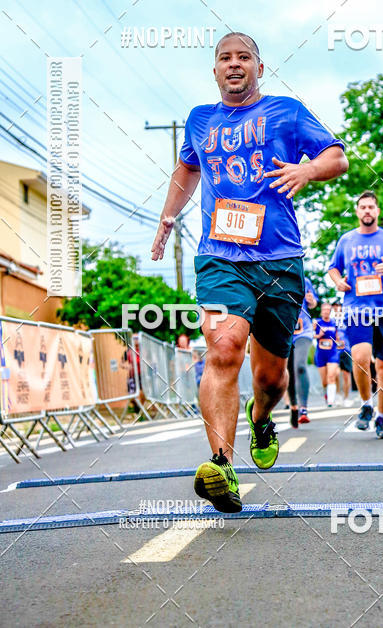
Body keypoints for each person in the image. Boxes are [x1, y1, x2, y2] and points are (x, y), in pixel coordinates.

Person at [151, 32, 348, 512]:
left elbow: (337, 156)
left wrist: (306, 172)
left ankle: (263, 418)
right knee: (222, 348)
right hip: (219, 258)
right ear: (214, 70)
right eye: (225, 58)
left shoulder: (287, 111)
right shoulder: (200, 120)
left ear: (260, 67)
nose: (234, 64)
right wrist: (167, 217)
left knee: (272, 378)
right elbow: (187, 171)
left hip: (279, 260)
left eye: (244, 57)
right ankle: (222, 463)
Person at [328, 190, 383, 439]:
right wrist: (338, 283)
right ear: (357, 212)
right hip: (357, 308)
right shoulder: (346, 240)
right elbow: (333, 268)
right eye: (362, 207)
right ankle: (366, 403)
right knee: (360, 356)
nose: (367, 211)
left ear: (377, 211)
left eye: (371, 207)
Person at [290, 276, 318, 425]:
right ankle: (292, 405)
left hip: (303, 330)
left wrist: (311, 301)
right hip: (282, 329)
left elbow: (313, 304)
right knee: (283, 370)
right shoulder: (272, 275)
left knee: (300, 366)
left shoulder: (303, 279)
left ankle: (303, 408)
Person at [314, 302, 340, 406]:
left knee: (331, 376)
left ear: (330, 311)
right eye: (324, 309)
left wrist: (340, 343)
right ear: (321, 311)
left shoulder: (334, 323)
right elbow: (311, 335)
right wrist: (319, 334)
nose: (326, 311)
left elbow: (337, 337)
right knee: (324, 381)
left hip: (332, 353)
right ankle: (327, 395)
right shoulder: (317, 322)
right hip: (320, 354)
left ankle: (331, 400)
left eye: (328, 310)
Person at [334, 301, 353, 405]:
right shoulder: (331, 321)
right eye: (335, 306)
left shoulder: (347, 319)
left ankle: (346, 397)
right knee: (335, 374)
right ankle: (338, 395)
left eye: (339, 306)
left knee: (346, 374)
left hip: (346, 350)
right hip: (334, 351)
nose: (337, 308)